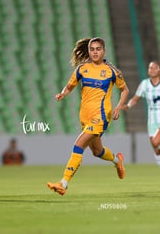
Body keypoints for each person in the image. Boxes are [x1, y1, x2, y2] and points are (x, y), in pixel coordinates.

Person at [47, 37, 129, 196]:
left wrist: (118, 106)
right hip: (85, 117)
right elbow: (70, 85)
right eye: (92, 49)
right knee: (97, 151)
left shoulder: (112, 71)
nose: (95, 52)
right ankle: (118, 161)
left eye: (98, 49)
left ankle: (64, 183)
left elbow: (125, 89)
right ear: (89, 51)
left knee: (78, 145)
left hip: (102, 117)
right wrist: (63, 94)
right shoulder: (82, 69)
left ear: (104, 50)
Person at [122, 61, 160, 165]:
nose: (152, 70)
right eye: (150, 68)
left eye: (154, 68)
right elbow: (135, 98)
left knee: (156, 141)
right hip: (152, 118)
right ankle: (158, 156)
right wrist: (128, 105)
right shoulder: (145, 84)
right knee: (154, 144)